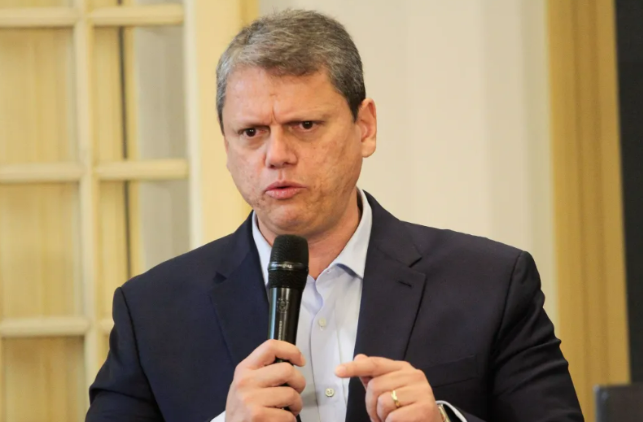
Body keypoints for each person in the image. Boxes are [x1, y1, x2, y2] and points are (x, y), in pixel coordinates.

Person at [86, 9, 583, 422]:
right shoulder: (153, 312)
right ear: (226, 144)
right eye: (252, 132)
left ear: (365, 127)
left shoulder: (489, 284)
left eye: (304, 125)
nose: (277, 155)